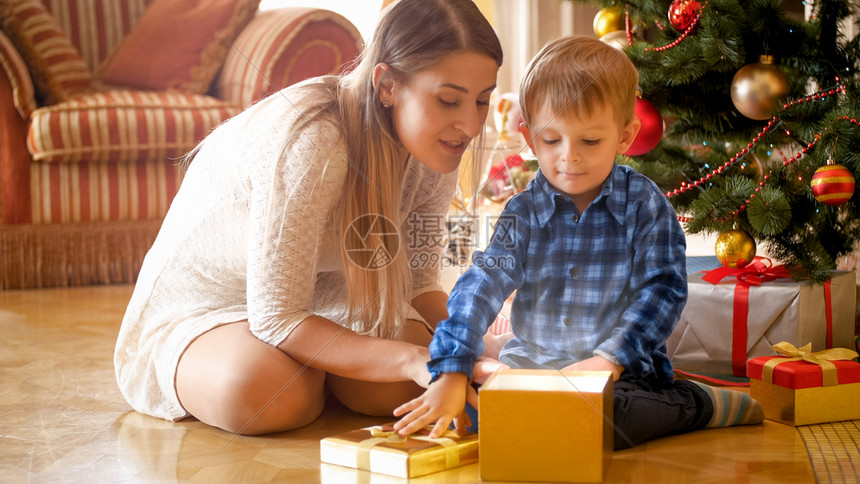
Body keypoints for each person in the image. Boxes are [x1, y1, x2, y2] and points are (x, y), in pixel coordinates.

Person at [113, 0, 504, 436]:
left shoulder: (437, 146)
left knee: (399, 388)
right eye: (449, 100)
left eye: (483, 101)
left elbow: (417, 283)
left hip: (326, 299)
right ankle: (308, 371)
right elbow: (277, 316)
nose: (469, 124)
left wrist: (472, 344)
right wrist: (412, 359)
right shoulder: (314, 140)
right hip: (215, 303)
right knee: (269, 392)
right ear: (388, 85)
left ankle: (324, 368)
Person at [393, 35, 763, 449]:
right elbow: (482, 282)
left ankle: (696, 403)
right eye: (552, 141)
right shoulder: (523, 210)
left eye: (590, 141)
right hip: (534, 366)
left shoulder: (644, 203)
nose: (569, 157)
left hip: (622, 372)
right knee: (475, 413)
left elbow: (662, 290)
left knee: (603, 422)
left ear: (624, 138)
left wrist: (608, 360)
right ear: (530, 140)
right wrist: (452, 367)